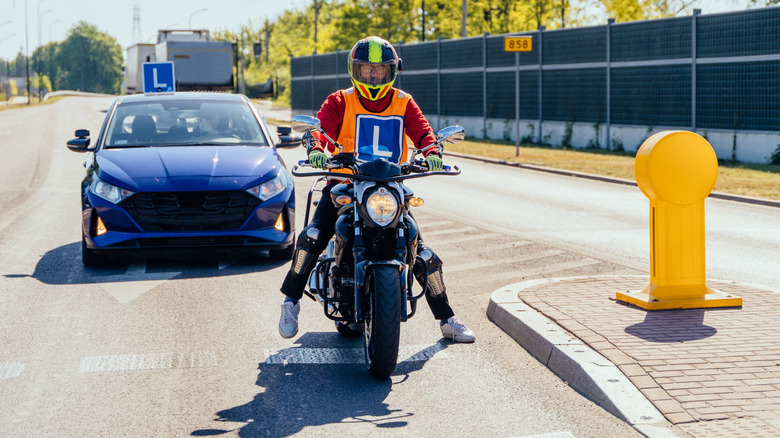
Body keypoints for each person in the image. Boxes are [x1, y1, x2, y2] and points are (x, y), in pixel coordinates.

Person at [278, 36, 475, 343]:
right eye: (365, 70)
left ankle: (447, 319)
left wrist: (432, 152)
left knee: (422, 252)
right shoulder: (339, 101)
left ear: (391, 71)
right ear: (354, 71)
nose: (372, 76)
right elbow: (320, 129)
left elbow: (422, 131)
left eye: (379, 70)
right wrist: (316, 146)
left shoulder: (403, 102)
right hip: (345, 182)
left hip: (390, 185)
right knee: (312, 237)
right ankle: (291, 302)